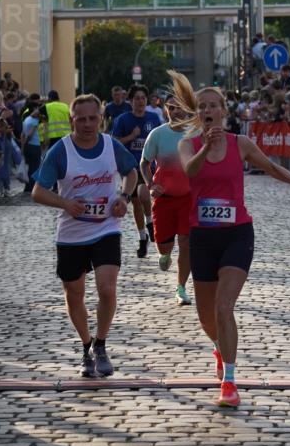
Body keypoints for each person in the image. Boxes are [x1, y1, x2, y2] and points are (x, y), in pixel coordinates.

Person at [171, 71, 290, 409]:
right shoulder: (188, 145)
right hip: (202, 237)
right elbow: (190, 173)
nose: (209, 110)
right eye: (203, 107)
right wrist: (206, 147)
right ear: (198, 113)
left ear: (224, 111)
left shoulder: (240, 144)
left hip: (237, 233)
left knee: (224, 307)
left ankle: (229, 381)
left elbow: (271, 168)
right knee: (206, 316)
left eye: (214, 105)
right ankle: (220, 347)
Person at [32, 94, 137, 377]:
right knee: (75, 294)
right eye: (82, 119)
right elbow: (38, 191)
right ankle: (86, 345)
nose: (88, 124)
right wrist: (65, 203)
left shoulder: (111, 146)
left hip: (106, 227)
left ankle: (101, 344)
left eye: (93, 118)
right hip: (71, 233)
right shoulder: (60, 151)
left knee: (106, 288)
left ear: (101, 119)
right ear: (71, 120)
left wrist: (123, 197)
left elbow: (131, 172)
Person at [140, 96, 193, 306]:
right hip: (164, 198)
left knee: (186, 243)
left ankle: (181, 288)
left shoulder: (196, 134)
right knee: (164, 246)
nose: (176, 112)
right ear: (165, 111)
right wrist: (151, 185)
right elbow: (145, 163)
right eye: (171, 108)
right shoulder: (158, 134)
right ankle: (165, 254)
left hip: (189, 198)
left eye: (179, 108)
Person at [112, 85, 161, 257]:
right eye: (137, 98)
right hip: (130, 167)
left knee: (144, 195)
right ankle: (143, 237)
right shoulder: (123, 119)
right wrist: (131, 137)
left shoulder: (153, 118)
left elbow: (159, 141)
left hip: (148, 166)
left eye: (143, 98)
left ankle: (150, 224)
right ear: (130, 101)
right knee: (137, 204)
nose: (140, 101)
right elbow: (115, 141)